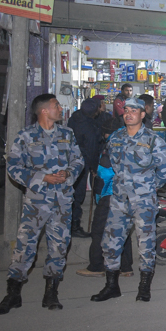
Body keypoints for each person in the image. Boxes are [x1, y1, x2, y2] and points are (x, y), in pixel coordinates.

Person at [0, 94, 84, 315]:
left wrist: (68, 173)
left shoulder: (67, 134)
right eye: (56, 105)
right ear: (44, 110)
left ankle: (51, 293)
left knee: (59, 247)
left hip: (62, 201)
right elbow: (13, 167)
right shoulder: (26, 136)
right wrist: (42, 178)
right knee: (24, 247)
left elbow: (78, 160)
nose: (60, 108)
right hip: (36, 202)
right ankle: (13, 293)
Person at [90, 97, 166, 304]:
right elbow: (112, 165)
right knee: (111, 243)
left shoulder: (154, 140)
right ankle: (111, 286)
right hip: (119, 199)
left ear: (143, 115)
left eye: (134, 110)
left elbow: (164, 172)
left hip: (143, 201)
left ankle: (144, 287)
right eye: (126, 110)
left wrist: (148, 189)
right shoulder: (115, 137)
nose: (129, 113)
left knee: (145, 244)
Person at [76, 145, 134, 278]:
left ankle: (96, 266)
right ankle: (125, 267)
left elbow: (104, 175)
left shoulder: (111, 150)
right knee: (122, 230)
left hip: (109, 196)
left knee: (98, 231)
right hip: (126, 195)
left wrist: (96, 173)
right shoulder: (130, 146)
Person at [67, 97, 104, 238]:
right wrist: (94, 169)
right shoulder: (89, 127)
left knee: (72, 192)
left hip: (70, 160)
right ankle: (74, 226)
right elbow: (92, 149)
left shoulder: (75, 117)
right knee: (78, 194)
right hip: (82, 162)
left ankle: (70, 223)